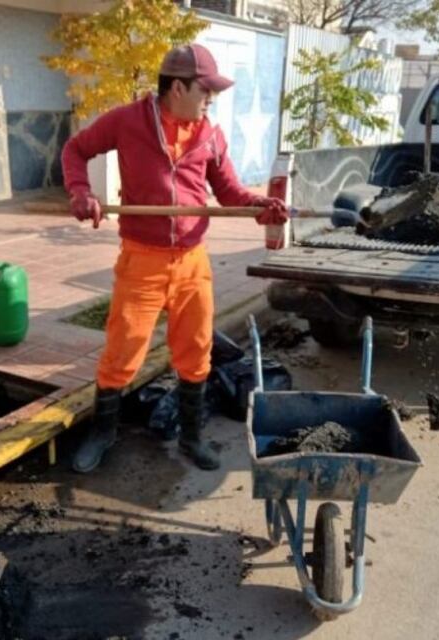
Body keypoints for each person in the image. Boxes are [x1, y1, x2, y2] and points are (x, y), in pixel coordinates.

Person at [60, 43, 288, 473]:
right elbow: (75, 150)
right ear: (177, 87)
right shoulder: (126, 121)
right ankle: (103, 432)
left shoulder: (210, 135)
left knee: (196, 350)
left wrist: (259, 205)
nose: (211, 101)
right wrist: (80, 192)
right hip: (141, 260)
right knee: (122, 352)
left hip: (192, 262)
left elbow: (231, 193)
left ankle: (192, 439)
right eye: (206, 91)